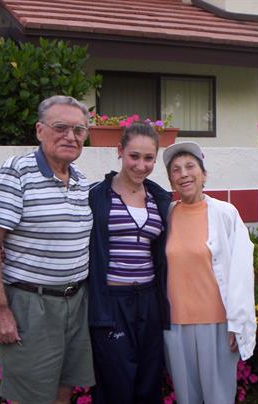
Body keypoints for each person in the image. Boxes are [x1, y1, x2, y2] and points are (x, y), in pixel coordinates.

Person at [0, 95, 94, 404]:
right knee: (30, 395)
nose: (71, 136)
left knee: (63, 389)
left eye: (79, 130)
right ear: (39, 130)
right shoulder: (16, 172)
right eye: (61, 127)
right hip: (33, 304)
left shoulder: (82, 181)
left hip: (75, 301)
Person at [162, 141, 256, 404]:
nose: (183, 174)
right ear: (171, 180)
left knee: (218, 397)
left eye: (190, 166)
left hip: (216, 324)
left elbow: (241, 273)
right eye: (176, 170)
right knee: (186, 397)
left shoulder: (226, 213)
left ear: (204, 174)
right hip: (175, 325)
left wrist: (237, 322)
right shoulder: (167, 214)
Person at [88, 121, 171, 403]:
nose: (141, 165)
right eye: (134, 156)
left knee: (149, 381)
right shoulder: (97, 196)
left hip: (149, 300)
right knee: (115, 383)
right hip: (112, 302)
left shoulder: (160, 198)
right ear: (120, 151)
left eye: (149, 158)